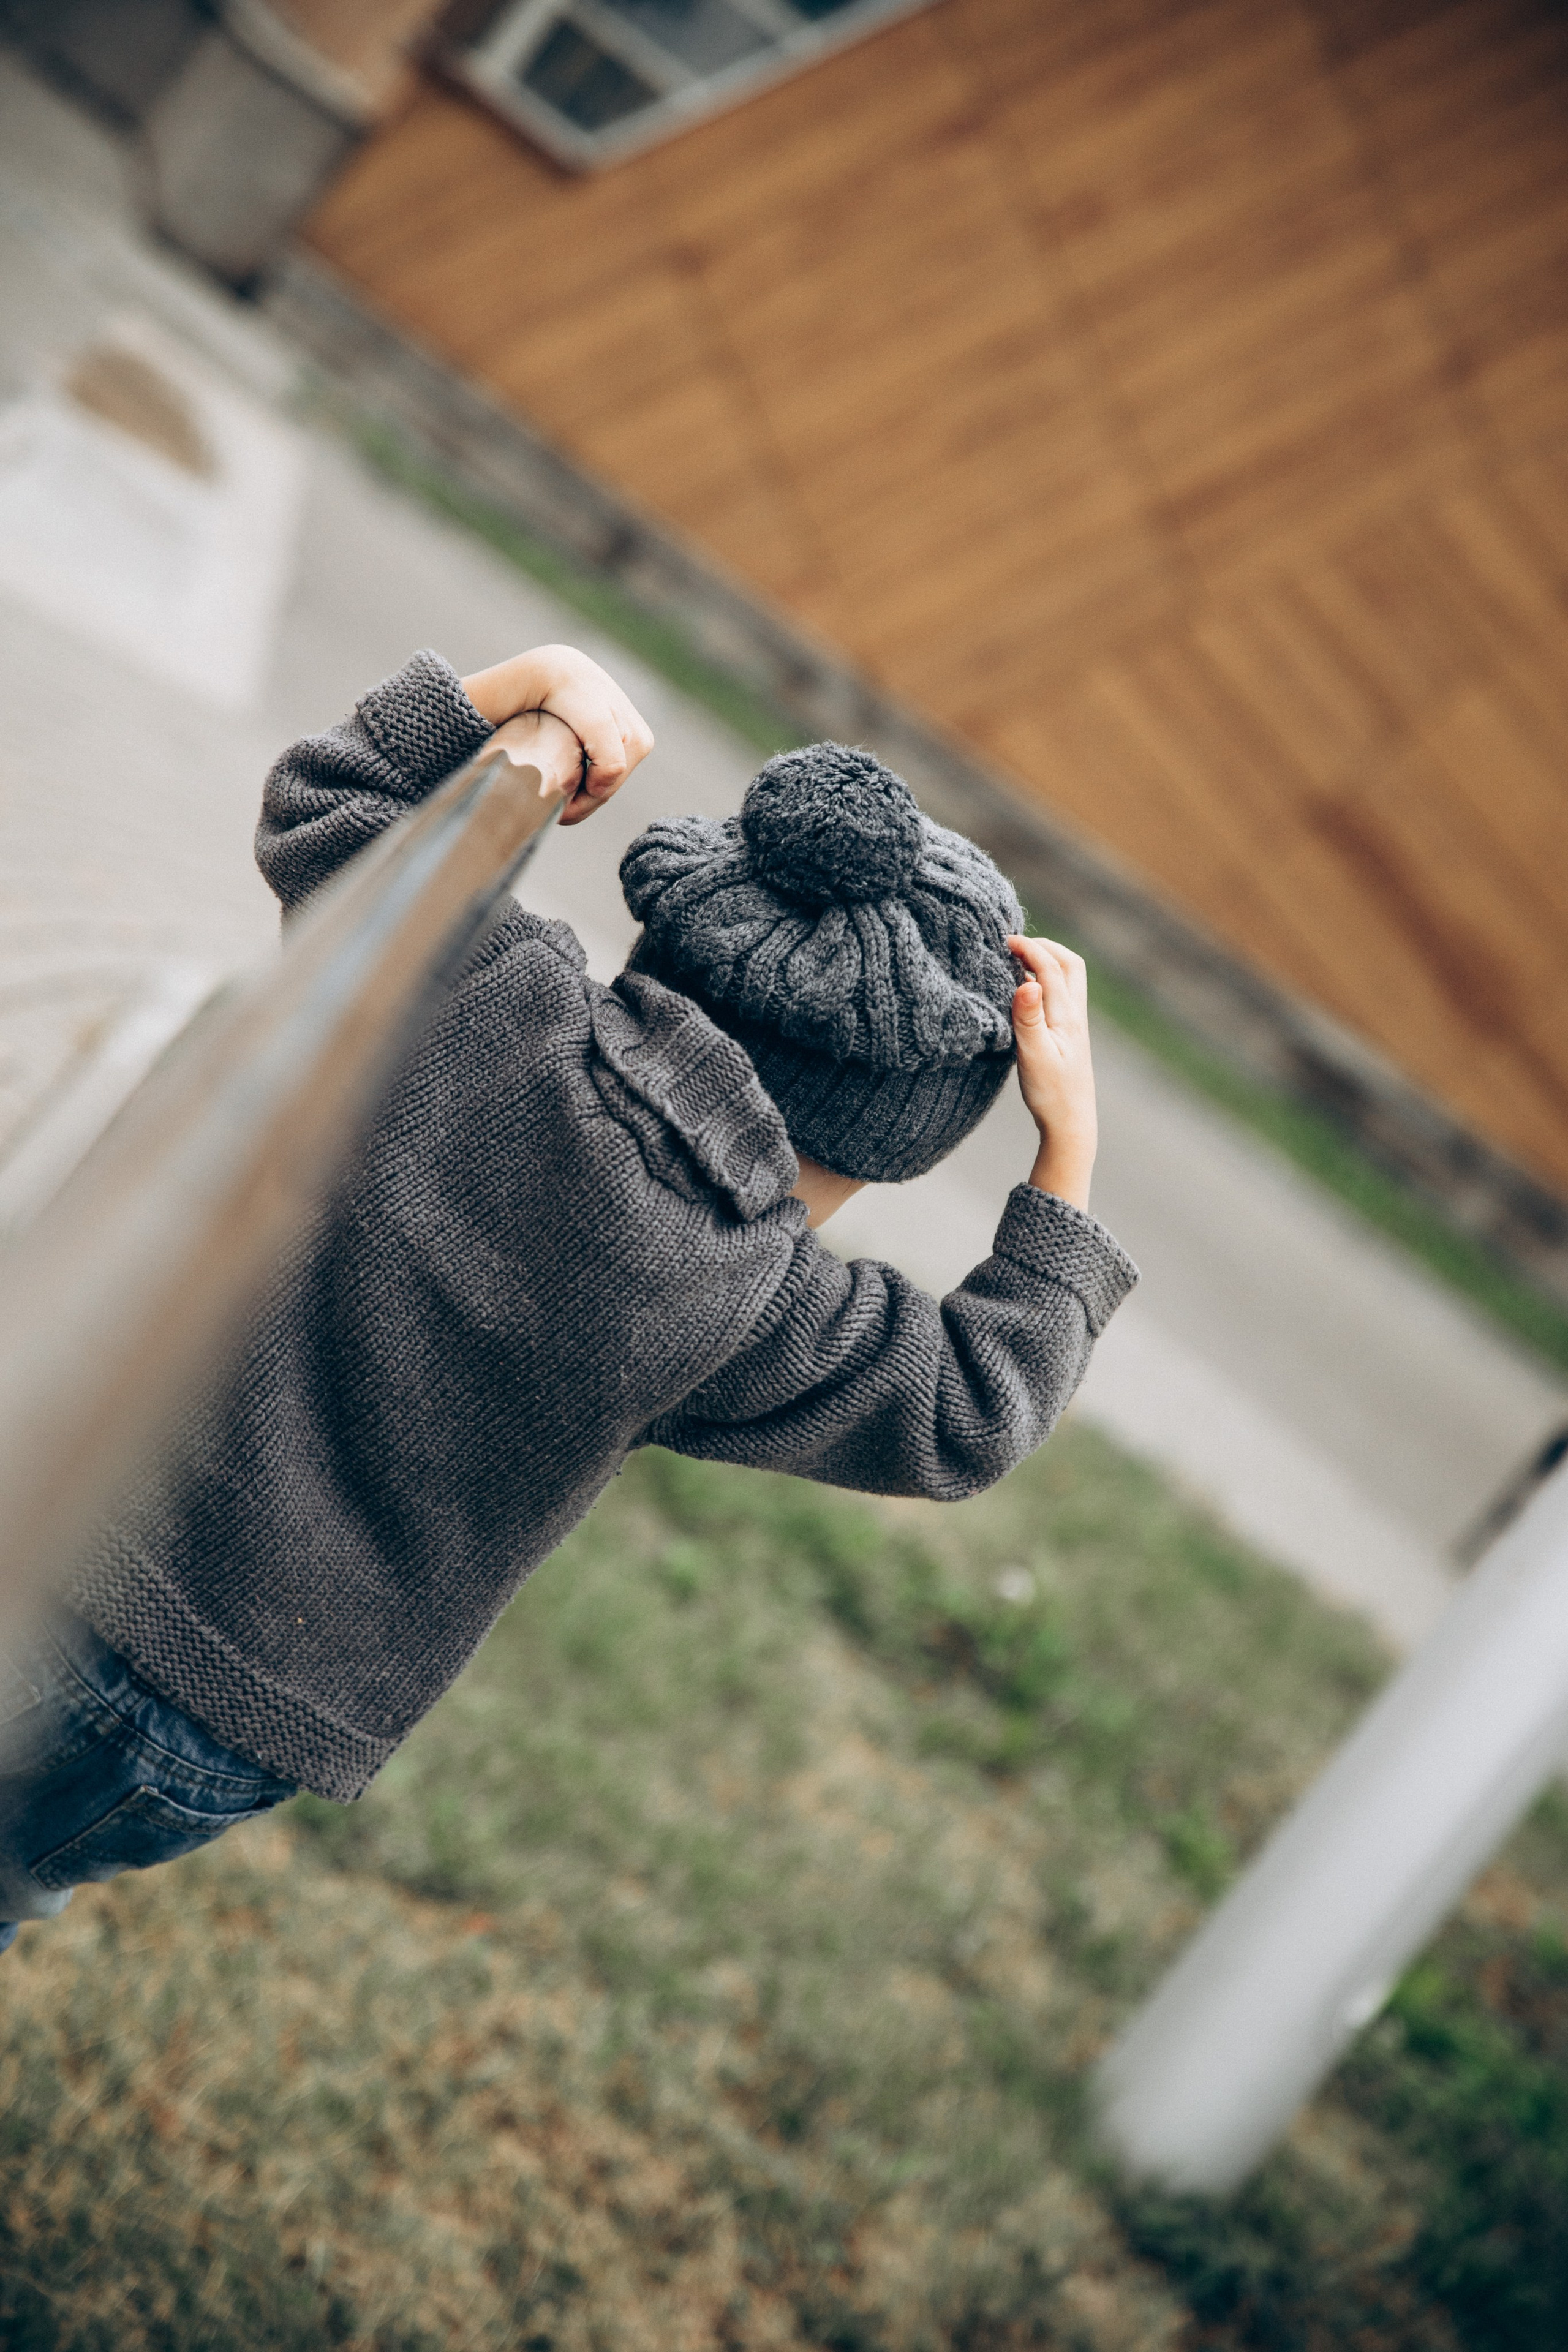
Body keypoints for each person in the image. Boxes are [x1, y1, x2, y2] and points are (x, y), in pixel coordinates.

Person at [0, 644, 1137, 1950]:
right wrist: (1067, 1154)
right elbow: (972, 1411)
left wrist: (520, 687)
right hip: (220, 1713)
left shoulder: (485, 985)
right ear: (877, 1146)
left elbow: (331, 802)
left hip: (59, 1496)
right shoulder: (757, 1304)